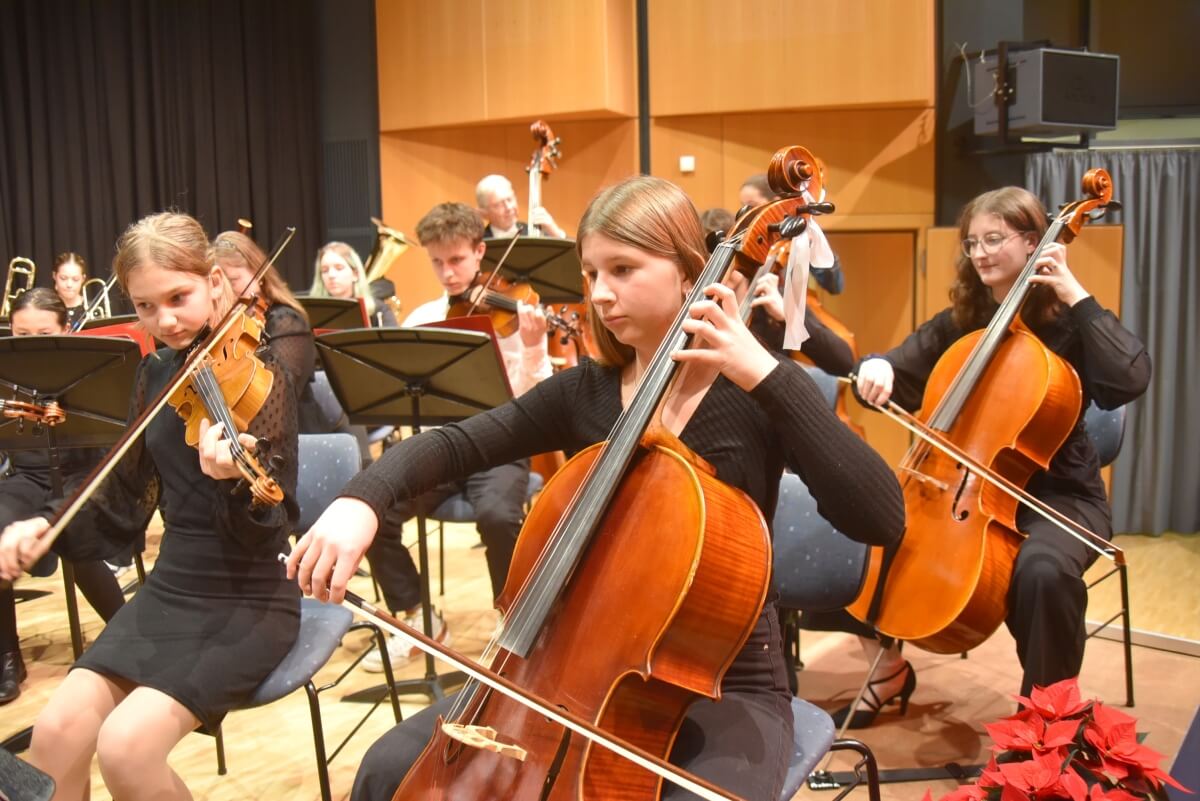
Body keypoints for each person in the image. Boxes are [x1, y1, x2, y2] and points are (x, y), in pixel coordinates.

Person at [287, 176, 905, 801]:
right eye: (591, 273)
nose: (600, 293)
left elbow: (880, 518)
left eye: (623, 269)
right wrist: (362, 499)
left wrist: (769, 376)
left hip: (721, 678)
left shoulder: (755, 392)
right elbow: (456, 444)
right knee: (388, 769)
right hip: (562, 665)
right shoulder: (587, 390)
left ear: (689, 273)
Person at [824, 185, 1151, 728]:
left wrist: (1074, 291)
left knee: (1042, 572)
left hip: (1058, 499)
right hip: (962, 494)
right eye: (972, 242)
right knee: (860, 532)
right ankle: (886, 671)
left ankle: (1044, 723)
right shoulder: (963, 321)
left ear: (1033, 242)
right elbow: (895, 370)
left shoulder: (1071, 325)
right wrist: (877, 368)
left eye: (994, 239)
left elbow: (1128, 379)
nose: (980, 253)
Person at [0, 212, 301, 800]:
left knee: (125, 748)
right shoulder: (154, 372)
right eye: (145, 306)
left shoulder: (267, 375)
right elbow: (122, 490)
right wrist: (47, 524)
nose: (164, 321)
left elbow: (274, 521)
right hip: (171, 587)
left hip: (249, 597)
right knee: (56, 733)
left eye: (178, 298)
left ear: (215, 282)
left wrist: (235, 482)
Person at [358, 201, 554, 673]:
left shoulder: (517, 316)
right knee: (372, 509)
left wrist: (533, 346)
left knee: (497, 515)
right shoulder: (423, 317)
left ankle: (513, 621)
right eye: (437, 262)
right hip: (443, 446)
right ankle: (418, 616)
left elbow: (539, 398)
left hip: (502, 446)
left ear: (480, 252)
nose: (448, 273)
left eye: (457, 260)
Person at [0, 289, 126, 705]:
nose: (30, 345)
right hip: (28, 477)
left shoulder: (87, 369)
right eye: (21, 335)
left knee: (75, 532)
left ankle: (126, 633)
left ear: (65, 331)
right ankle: (7, 656)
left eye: (43, 334)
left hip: (79, 474)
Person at [213, 230, 328, 434]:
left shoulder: (286, 322)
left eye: (233, 280)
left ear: (259, 274)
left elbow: (280, 398)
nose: (226, 291)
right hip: (239, 430)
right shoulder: (225, 322)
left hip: (292, 435)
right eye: (218, 284)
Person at [309, 241, 397, 327]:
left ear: (355, 274)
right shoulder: (310, 312)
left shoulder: (379, 310)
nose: (331, 275)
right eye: (324, 270)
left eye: (339, 268)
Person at [476, 174, 567, 239]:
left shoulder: (535, 233)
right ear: (483, 213)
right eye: (498, 205)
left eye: (510, 199)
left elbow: (571, 257)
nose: (509, 208)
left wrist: (556, 233)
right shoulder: (478, 243)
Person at [51, 252, 88, 328]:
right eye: (63, 278)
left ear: (83, 279)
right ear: (54, 276)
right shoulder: (45, 308)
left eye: (75, 279)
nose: (69, 285)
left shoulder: (93, 307)